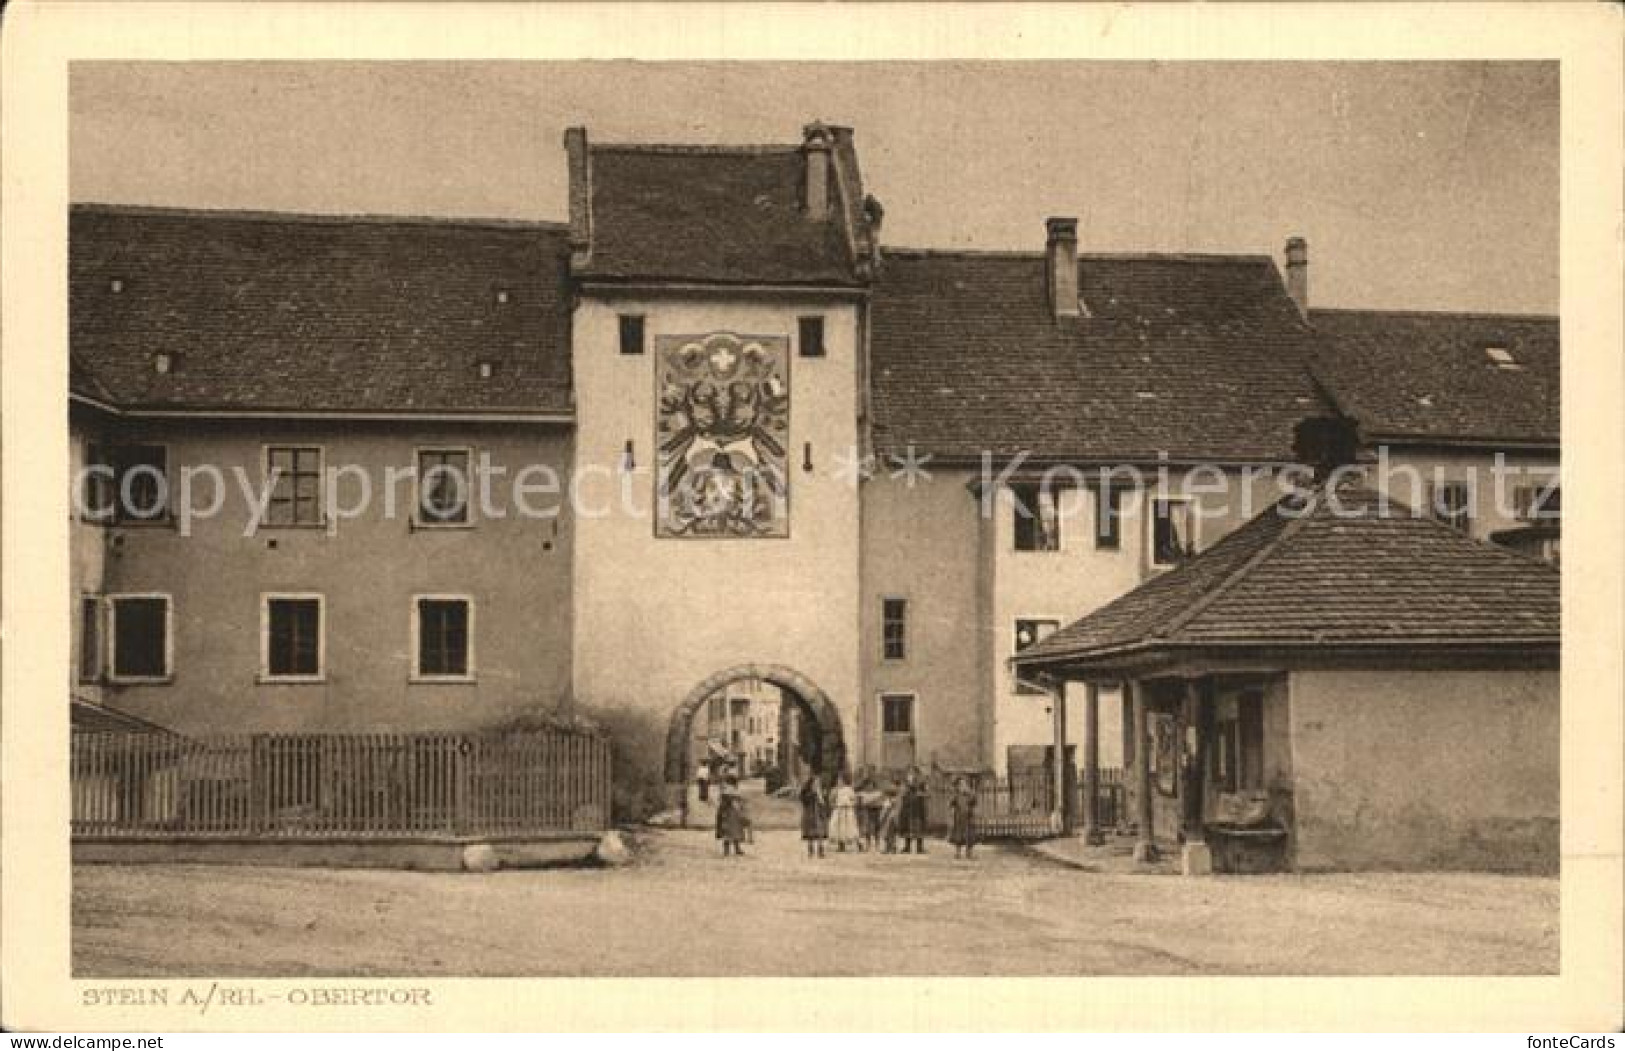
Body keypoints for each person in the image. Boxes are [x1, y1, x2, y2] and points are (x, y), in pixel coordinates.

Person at [827, 772, 860, 852]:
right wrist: (834, 804)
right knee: (837, 827)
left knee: (849, 827)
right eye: (838, 780)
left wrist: (851, 804)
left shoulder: (849, 789)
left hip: (847, 810)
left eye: (841, 780)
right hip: (839, 810)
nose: (839, 782)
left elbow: (854, 799)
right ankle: (840, 845)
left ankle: (856, 844)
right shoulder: (835, 790)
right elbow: (830, 800)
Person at [898, 766, 928, 854]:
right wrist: (904, 791)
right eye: (910, 773)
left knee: (919, 827)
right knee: (907, 827)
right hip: (907, 808)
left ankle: (919, 847)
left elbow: (927, 793)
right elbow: (902, 793)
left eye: (913, 772)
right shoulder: (905, 783)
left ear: (917, 773)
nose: (911, 774)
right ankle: (907, 847)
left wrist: (920, 794)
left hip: (918, 808)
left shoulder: (922, 783)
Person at [715, 774, 747, 857]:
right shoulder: (730, 790)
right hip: (731, 813)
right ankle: (735, 849)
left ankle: (729, 850)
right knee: (733, 832)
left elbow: (722, 801)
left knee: (728, 832)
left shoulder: (726, 790)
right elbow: (735, 800)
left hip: (729, 813)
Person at [947, 775, 978, 859]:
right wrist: (952, 812)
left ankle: (969, 853)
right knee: (958, 836)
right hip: (959, 818)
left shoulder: (970, 794)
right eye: (961, 784)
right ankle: (958, 853)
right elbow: (950, 804)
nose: (963, 786)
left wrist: (971, 793)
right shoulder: (956, 795)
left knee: (970, 836)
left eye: (964, 784)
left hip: (969, 817)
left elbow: (974, 802)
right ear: (958, 786)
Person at [799, 772, 828, 858]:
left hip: (818, 814)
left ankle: (820, 849)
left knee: (820, 832)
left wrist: (823, 799)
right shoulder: (807, 792)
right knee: (810, 833)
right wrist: (812, 795)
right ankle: (811, 850)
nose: (817, 785)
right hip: (810, 814)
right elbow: (803, 800)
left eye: (818, 783)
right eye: (815, 783)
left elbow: (823, 803)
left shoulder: (819, 793)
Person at [856, 771, 885, 853]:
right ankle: (868, 845)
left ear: (873, 785)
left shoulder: (878, 793)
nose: (869, 787)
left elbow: (881, 802)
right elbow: (859, 801)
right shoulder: (863, 793)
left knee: (876, 827)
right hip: (867, 811)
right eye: (867, 785)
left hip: (876, 811)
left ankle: (877, 845)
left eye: (871, 785)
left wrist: (874, 802)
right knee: (867, 828)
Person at [878, 780, 901, 854]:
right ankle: (893, 847)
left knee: (887, 834)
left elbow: (884, 811)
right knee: (892, 834)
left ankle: (888, 848)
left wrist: (881, 818)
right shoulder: (897, 800)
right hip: (894, 818)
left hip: (888, 819)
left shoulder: (888, 801)